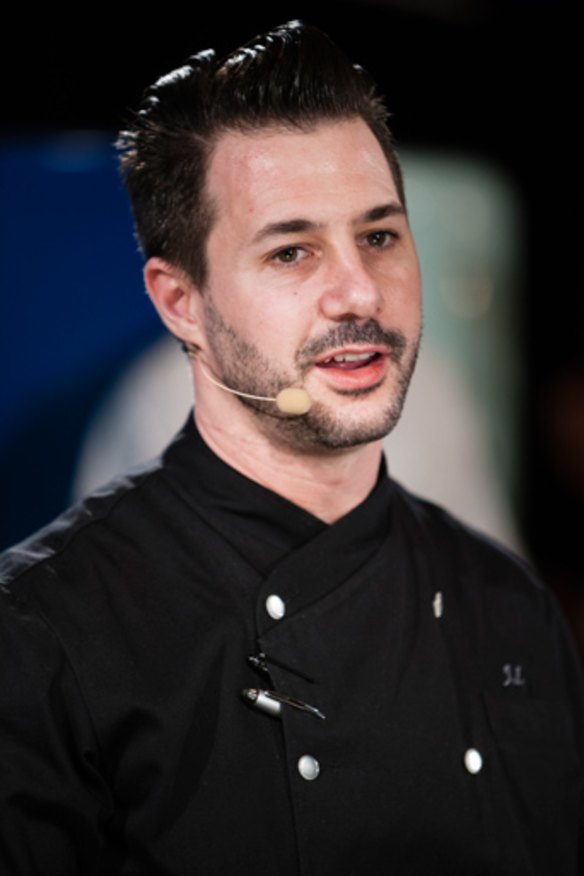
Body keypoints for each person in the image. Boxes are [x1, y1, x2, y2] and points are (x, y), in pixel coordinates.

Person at [0, 21, 582, 875]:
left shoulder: (508, 610)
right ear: (181, 303)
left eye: (380, 235)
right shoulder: (42, 634)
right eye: (291, 250)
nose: (357, 291)